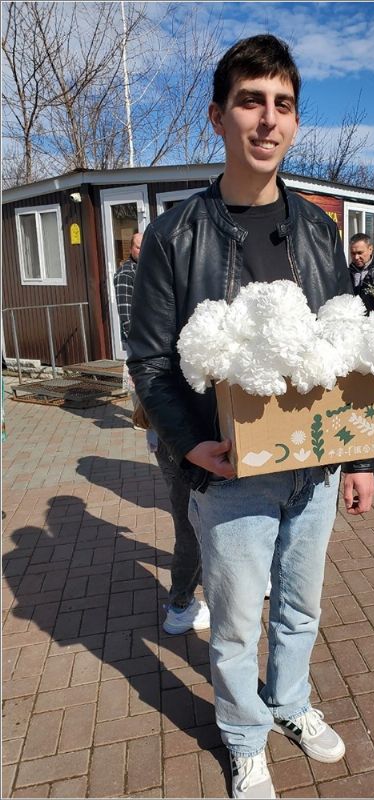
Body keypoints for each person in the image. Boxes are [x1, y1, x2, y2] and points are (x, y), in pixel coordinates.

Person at [127, 34, 374, 799]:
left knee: (300, 605)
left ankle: (289, 702)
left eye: (283, 104)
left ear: (295, 121)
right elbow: (150, 361)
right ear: (218, 116)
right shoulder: (176, 234)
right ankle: (243, 738)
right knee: (236, 623)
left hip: (316, 466)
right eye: (250, 101)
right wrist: (189, 444)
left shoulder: (319, 229)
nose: (268, 119)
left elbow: (347, 343)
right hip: (230, 470)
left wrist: (359, 457)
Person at [113, 233, 209, 635]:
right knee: (194, 523)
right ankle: (182, 603)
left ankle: (192, 600)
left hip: (178, 433)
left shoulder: (167, 302)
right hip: (186, 435)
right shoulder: (163, 308)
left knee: (196, 521)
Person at [348, 232, 374, 312]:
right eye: (353, 253)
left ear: (370, 249)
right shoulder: (346, 274)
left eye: (360, 253)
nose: (356, 257)